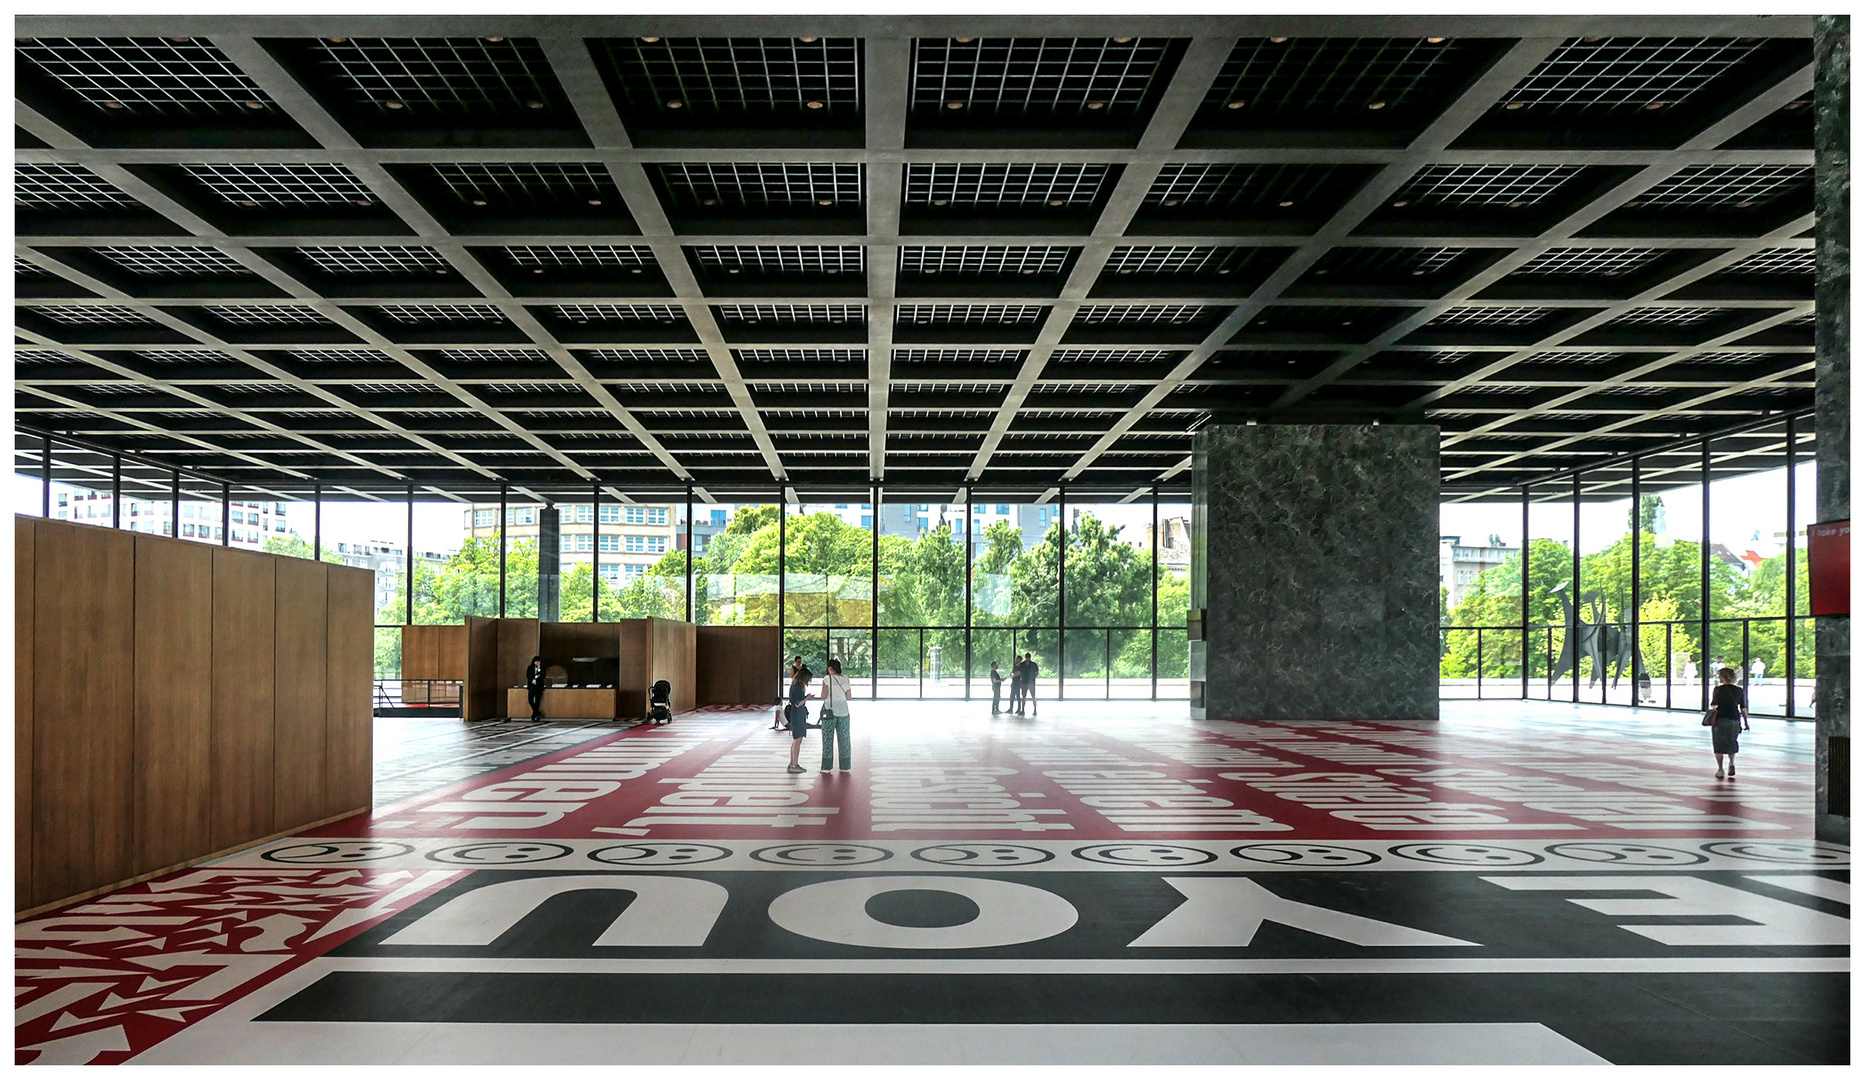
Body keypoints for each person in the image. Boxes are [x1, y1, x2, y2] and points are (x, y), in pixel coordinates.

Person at [1705, 666, 1750, 779]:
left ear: (1723, 677)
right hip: (1734, 719)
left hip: (1720, 719)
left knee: (1718, 744)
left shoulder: (1718, 690)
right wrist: (1746, 722)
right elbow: (1743, 708)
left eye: (1719, 676)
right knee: (1731, 742)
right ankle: (1731, 762)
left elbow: (1714, 705)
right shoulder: (1739, 690)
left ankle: (1720, 769)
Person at [818, 657, 853, 773]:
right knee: (844, 739)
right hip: (843, 711)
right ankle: (845, 766)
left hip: (829, 712)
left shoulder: (827, 679)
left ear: (830, 668)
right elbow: (848, 697)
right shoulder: (846, 679)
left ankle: (826, 767)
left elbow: (823, 695)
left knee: (828, 739)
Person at [785, 664, 814, 773]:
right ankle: (794, 764)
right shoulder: (797, 687)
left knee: (796, 740)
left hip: (796, 713)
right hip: (797, 713)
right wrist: (807, 698)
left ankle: (792, 763)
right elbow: (798, 703)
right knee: (798, 740)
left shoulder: (795, 685)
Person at [774, 655, 803, 731]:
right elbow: (793, 677)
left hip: (801, 686)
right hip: (795, 685)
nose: (799, 663)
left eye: (800, 662)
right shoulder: (792, 669)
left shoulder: (802, 668)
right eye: (798, 662)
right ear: (795, 662)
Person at [524, 655, 547, 722]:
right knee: (530, 700)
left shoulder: (542, 668)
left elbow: (543, 676)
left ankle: (534, 716)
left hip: (538, 687)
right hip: (532, 686)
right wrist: (532, 679)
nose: (538, 663)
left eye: (539, 662)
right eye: (536, 662)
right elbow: (528, 675)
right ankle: (537, 712)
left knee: (537, 701)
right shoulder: (530, 668)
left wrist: (539, 670)